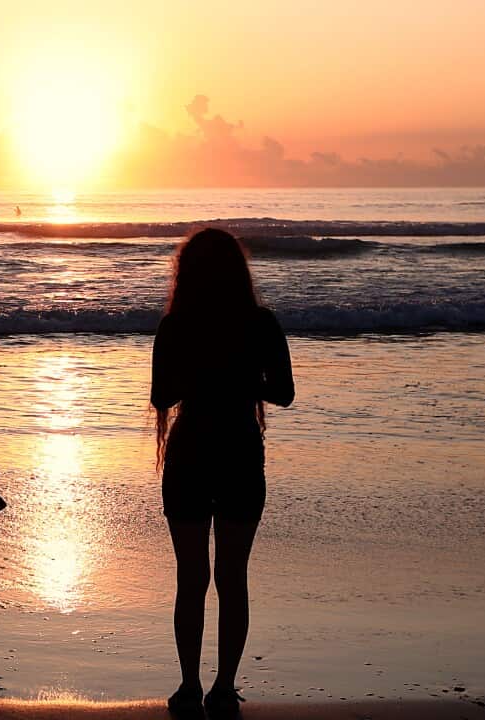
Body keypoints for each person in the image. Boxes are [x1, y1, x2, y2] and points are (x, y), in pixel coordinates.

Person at [150, 228, 294, 718]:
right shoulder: (260, 323)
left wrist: (201, 376)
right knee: (232, 576)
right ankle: (225, 685)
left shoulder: (176, 325)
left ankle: (190, 684)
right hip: (238, 451)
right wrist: (241, 379)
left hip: (190, 453)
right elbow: (285, 393)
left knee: (192, 577)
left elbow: (161, 397)